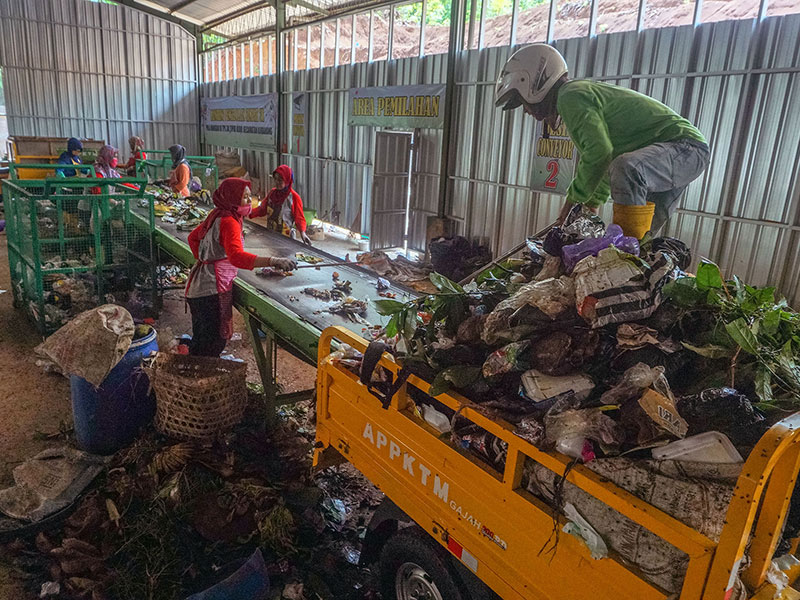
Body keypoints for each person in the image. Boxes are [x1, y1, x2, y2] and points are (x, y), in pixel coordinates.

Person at [495, 44, 710, 238]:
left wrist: (571, 204)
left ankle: (622, 256)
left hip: (685, 148)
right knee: (640, 242)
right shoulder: (575, 97)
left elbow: (599, 153)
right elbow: (605, 162)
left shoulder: (570, 95)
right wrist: (591, 204)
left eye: (522, 102)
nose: (526, 110)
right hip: (678, 155)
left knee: (627, 171)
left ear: (534, 83)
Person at [185, 178, 298, 357]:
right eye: (244, 197)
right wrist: (273, 260)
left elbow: (192, 238)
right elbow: (237, 257)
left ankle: (195, 367)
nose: (249, 200)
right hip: (211, 289)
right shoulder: (229, 222)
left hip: (199, 284)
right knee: (213, 342)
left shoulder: (218, 214)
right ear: (232, 197)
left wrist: (206, 259)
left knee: (202, 340)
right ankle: (201, 371)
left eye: (249, 196)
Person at [250, 165, 311, 245]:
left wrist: (303, 233)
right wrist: (247, 212)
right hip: (270, 235)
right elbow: (262, 209)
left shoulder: (293, 197)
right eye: (275, 179)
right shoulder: (272, 194)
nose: (277, 182)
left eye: (280, 180)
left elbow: (299, 217)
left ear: (287, 180)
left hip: (286, 239)